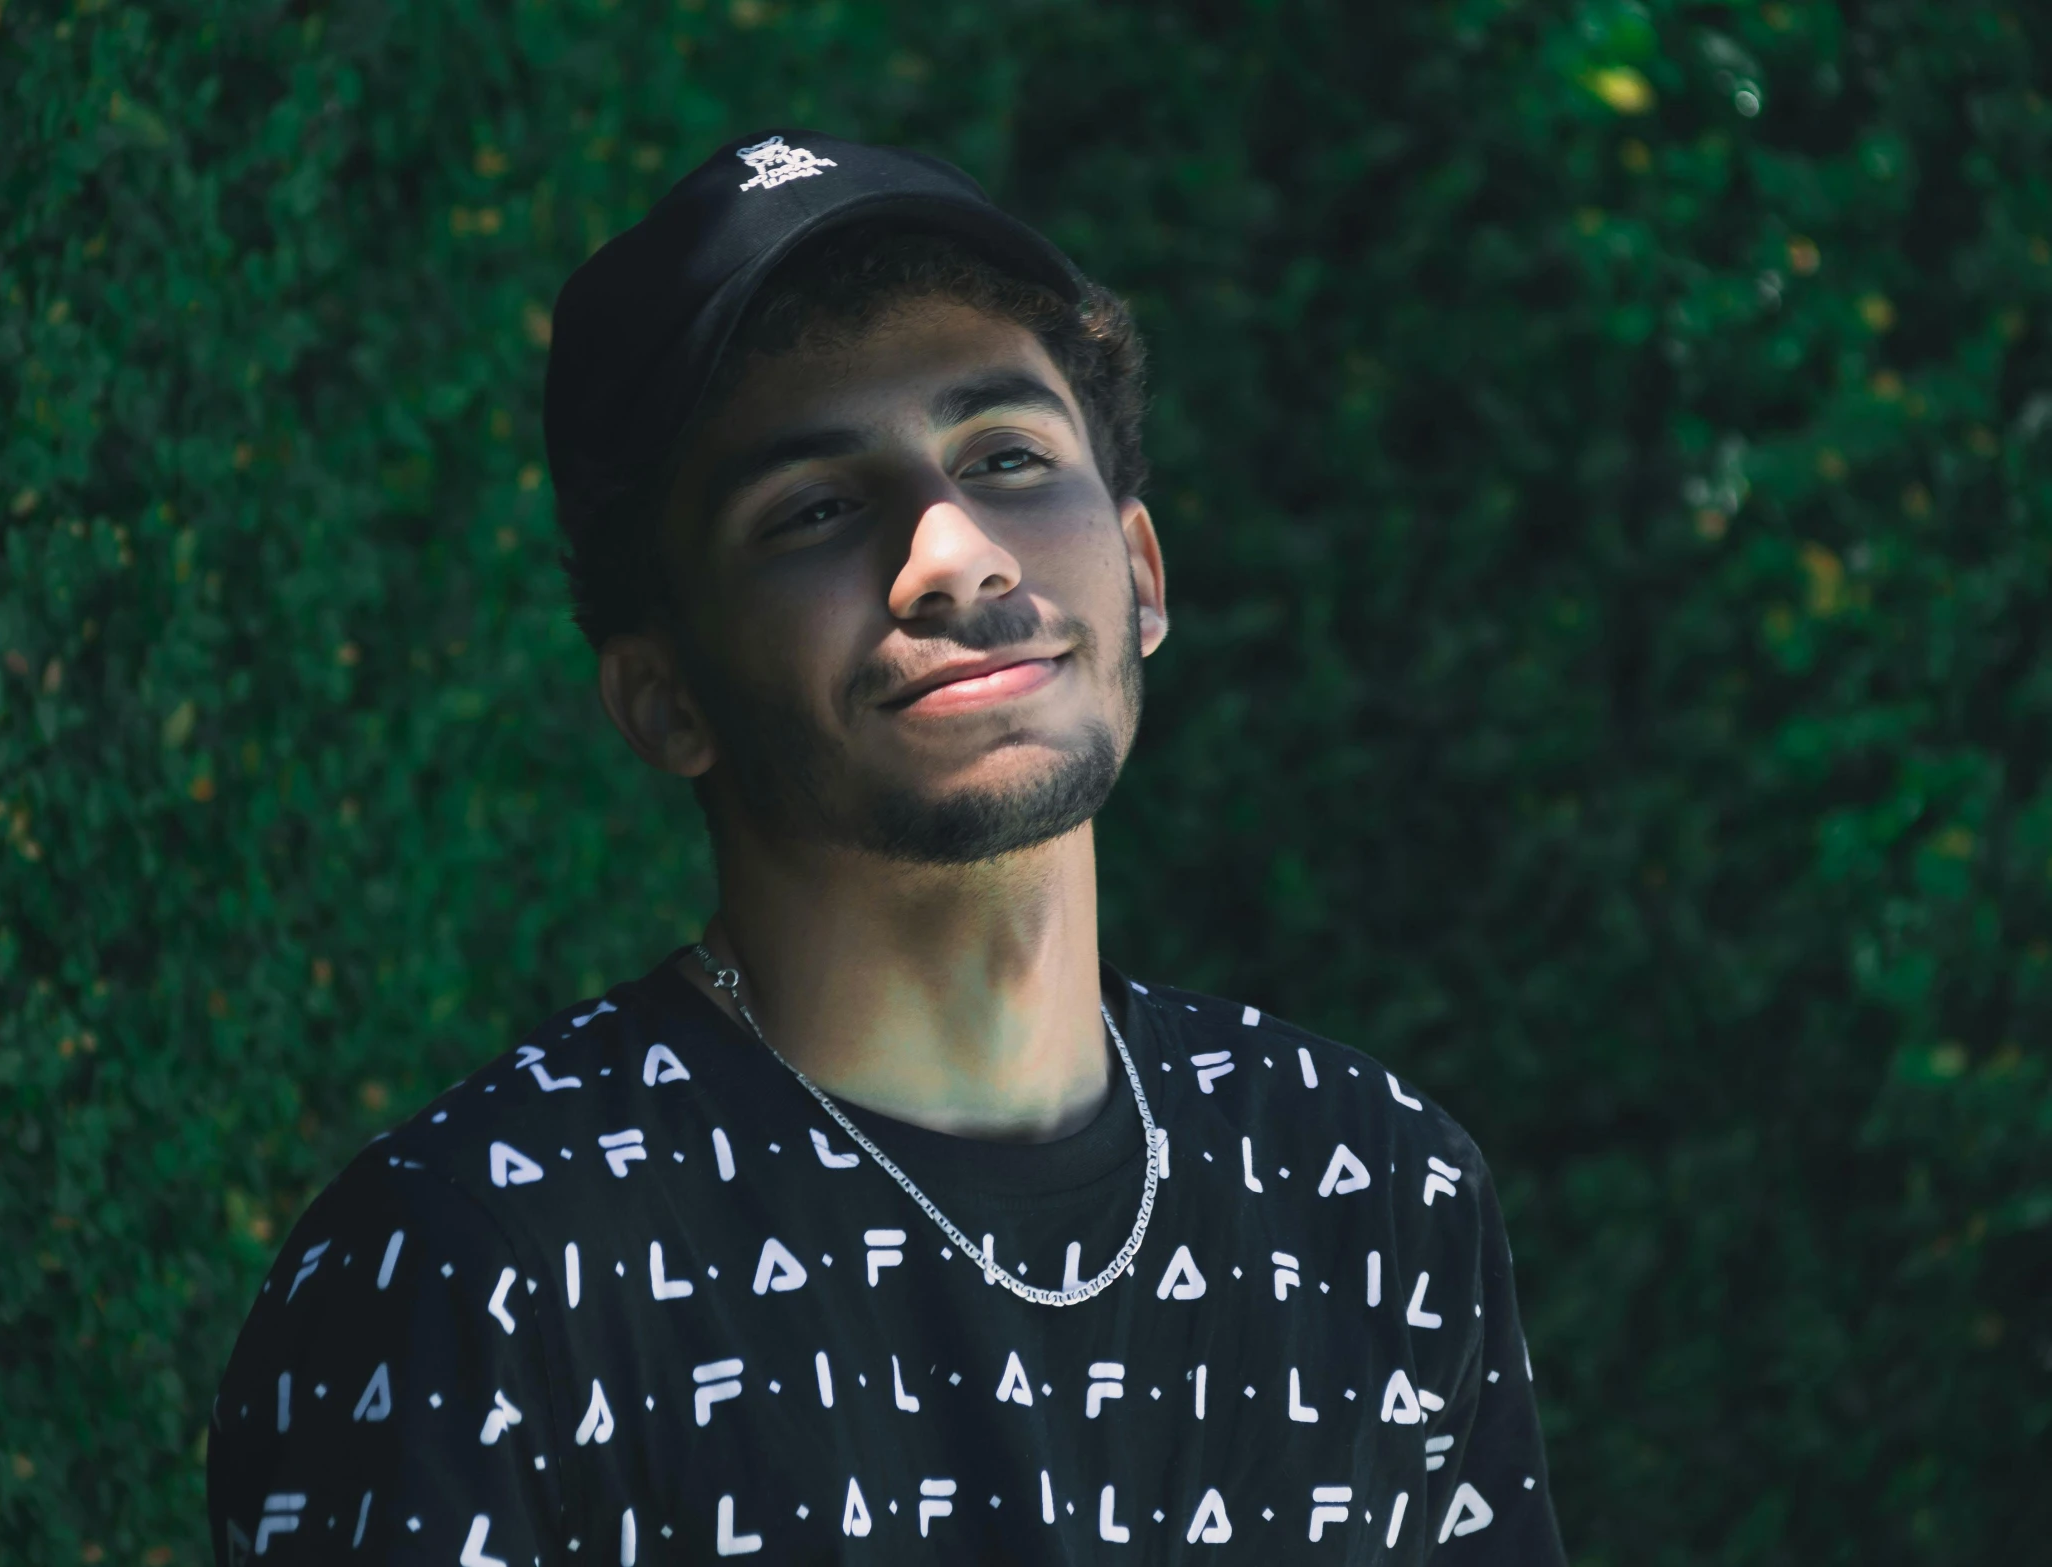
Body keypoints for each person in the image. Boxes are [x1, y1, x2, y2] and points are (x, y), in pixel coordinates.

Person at [205, 127, 1566, 1565]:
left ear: (1142, 570)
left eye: (1007, 455)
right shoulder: (480, 1258)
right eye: (811, 509)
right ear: (664, 697)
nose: (954, 552)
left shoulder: (1371, 1186)